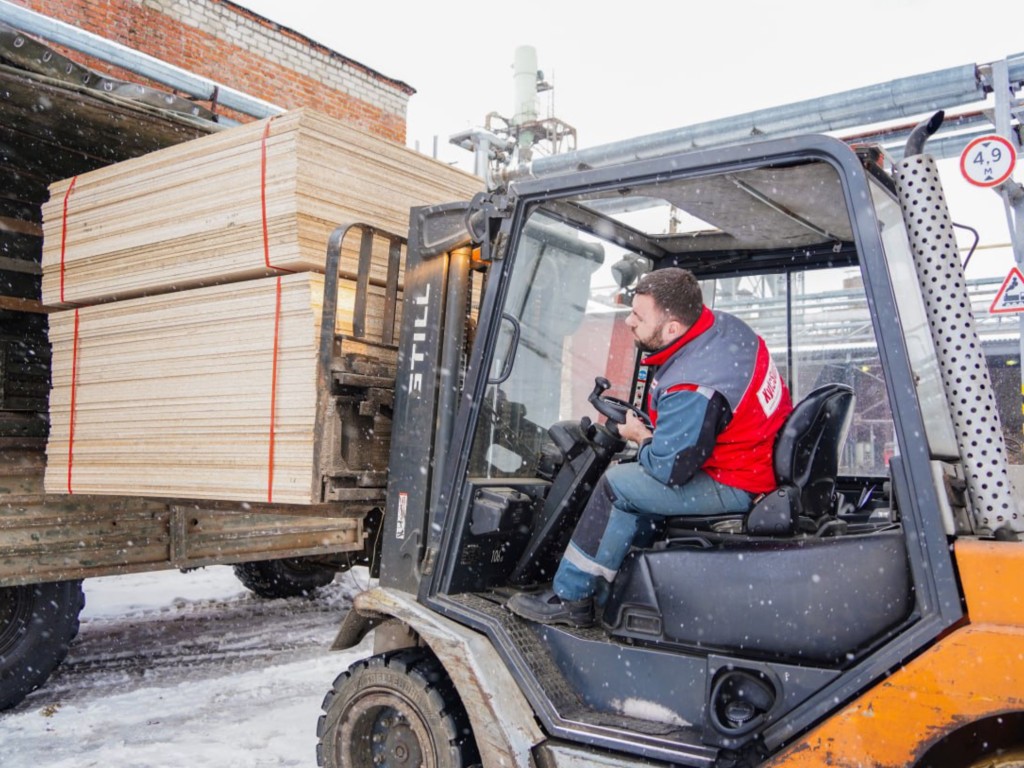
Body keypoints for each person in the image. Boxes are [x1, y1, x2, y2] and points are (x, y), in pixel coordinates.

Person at [507, 267, 793, 627]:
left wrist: (639, 436)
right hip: (754, 455)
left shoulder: (691, 385)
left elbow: (669, 469)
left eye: (638, 317)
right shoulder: (724, 330)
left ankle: (572, 597)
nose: (628, 322)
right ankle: (614, 587)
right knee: (631, 494)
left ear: (673, 328)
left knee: (617, 486)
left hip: (739, 483)